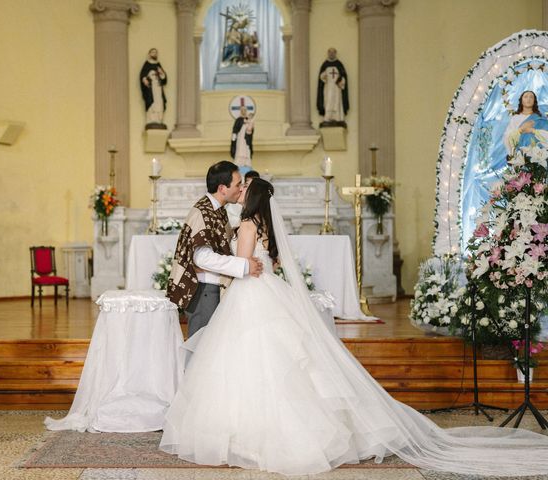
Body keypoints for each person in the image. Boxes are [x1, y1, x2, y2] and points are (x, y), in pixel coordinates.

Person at [160, 177, 548, 477]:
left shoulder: (246, 225)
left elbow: (246, 266)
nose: (241, 191)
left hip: (250, 298)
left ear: (253, 197)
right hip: (268, 294)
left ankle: (249, 435)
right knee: (283, 363)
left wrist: (239, 264)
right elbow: (268, 264)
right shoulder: (264, 225)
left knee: (250, 364)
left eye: (245, 188)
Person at [166, 161, 263, 338]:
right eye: (238, 184)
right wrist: (243, 266)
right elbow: (202, 257)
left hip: (211, 287)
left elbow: (221, 242)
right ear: (222, 188)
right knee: (201, 346)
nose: (241, 188)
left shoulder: (217, 210)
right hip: (204, 289)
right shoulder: (203, 212)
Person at [504, 90, 548, 156]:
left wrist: (533, 131)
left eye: (531, 97)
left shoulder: (540, 118)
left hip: (540, 155)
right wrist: (520, 130)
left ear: (534, 101)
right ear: (521, 101)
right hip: (522, 156)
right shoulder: (515, 118)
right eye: (525, 97)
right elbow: (507, 138)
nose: (528, 99)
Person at [317, 48, 349, 127]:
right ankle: (328, 118)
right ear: (328, 53)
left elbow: (343, 75)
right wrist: (323, 76)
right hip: (328, 88)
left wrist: (340, 80)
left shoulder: (339, 64)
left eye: (333, 52)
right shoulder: (325, 64)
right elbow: (321, 78)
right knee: (328, 101)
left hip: (336, 88)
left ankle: (337, 118)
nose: (331, 54)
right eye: (330, 52)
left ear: (335, 53)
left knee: (337, 101)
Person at [140, 48, 167, 128]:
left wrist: (162, 74)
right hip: (151, 89)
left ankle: (159, 120)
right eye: (153, 52)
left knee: (160, 103)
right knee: (152, 103)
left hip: (158, 88)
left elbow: (164, 79)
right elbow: (142, 75)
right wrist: (145, 79)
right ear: (149, 54)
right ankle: (151, 121)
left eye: (156, 53)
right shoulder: (146, 64)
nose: (154, 54)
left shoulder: (158, 64)